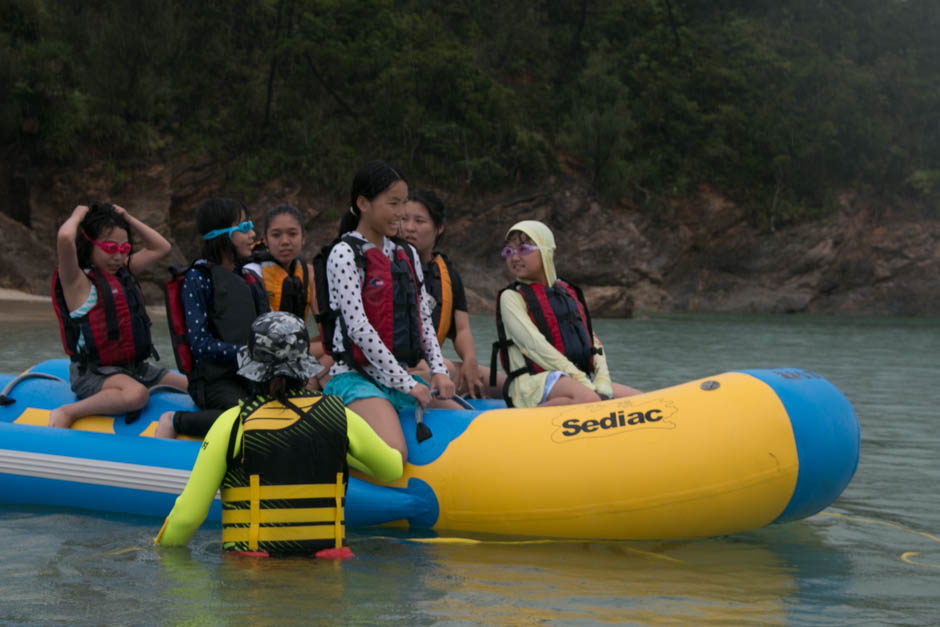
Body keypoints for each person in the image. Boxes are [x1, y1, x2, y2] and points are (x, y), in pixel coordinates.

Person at [155, 311, 403, 558]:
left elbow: (188, 516)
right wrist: (339, 450)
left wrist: (158, 551)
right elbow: (391, 469)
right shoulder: (341, 417)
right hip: (326, 579)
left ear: (252, 366)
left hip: (252, 578)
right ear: (305, 365)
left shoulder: (234, 422)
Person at [319, 160, 458, 461]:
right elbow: (359, 328)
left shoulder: (404, 253)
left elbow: (423, 317)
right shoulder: (344, 255)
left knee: (464, 422)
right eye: (393, 203)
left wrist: (439, 370)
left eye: (403, 203)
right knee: (395, 454)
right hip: (355, 378)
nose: (401, 213)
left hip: (399, 375)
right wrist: (408, 384)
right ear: (363, 203)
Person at [50, 203, 187, 428]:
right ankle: (68, 412)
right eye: (110, 247)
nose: (118, 257)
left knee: (194, 386)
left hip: (134, 368)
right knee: (137, 396)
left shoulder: (126, 271)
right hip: (93, 373)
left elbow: (161, 247)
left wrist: (128, 218)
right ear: (89, 243)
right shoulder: (76, 282)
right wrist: (78, 214)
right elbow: (65, 238)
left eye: (124, 249)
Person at [492, 220, 640, 408]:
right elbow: (535, 347)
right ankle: (521, 427)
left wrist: (602, 380)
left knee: (640, 399)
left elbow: (592, 342)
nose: (514, 257)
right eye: (509, 251)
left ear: (546, 250)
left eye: (523, 249)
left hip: (570, 379)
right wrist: (582, 381)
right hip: (531, 384)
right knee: (587, 399)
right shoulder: (511, 298)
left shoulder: (564, 292)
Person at [155, 197, 269, 439]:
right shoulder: (198, 279)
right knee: (247, 417)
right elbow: (199, 344)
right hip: (212, 382)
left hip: (249, 376)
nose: (253, 234)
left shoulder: (249, 279)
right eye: (245, 227)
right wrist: (245, 352)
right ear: (221, 234)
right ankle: (177, 421)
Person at [399, 189, 504, 398]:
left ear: (439, 229)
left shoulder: (446, 274)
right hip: (398, 366)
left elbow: (461, 329)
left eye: (419, 221)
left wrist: (470, 360)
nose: (409, 228)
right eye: (404, 219)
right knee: (446, 367)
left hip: (435, 365)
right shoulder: (388, 265)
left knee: (503, 384)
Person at [243, 204, 332, 389]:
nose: (285, 241)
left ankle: (313, 388)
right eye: (276, 235)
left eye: (292, 234)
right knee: (329, 350)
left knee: (332, 349)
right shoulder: (252, 275)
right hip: (263, 356)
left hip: (296, 352)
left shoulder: (308, 273)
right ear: (265, 239)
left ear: (303, 237)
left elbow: (324, 327)